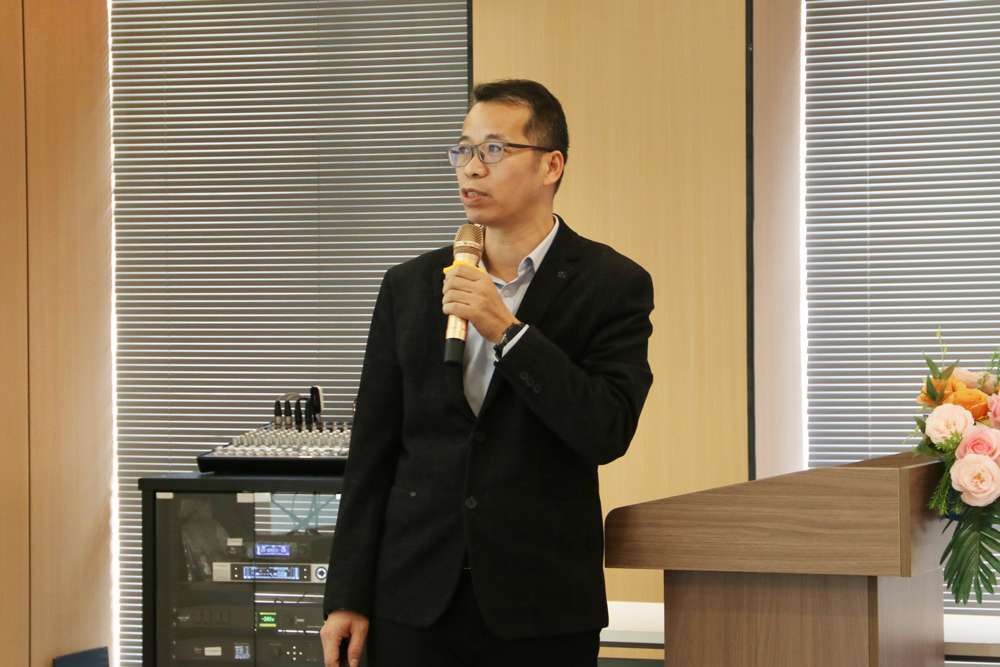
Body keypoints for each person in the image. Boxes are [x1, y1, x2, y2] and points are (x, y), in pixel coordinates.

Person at [320, 79, 654, 667]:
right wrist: (347, 594)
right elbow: (372, 453)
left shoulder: (613, 284)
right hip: (414, 597)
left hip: (541, 604)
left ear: (551, 165)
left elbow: (607, 429)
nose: (471, 168)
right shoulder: (409, 286)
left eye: (495, 150)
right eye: (463, 150)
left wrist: (509, 332)